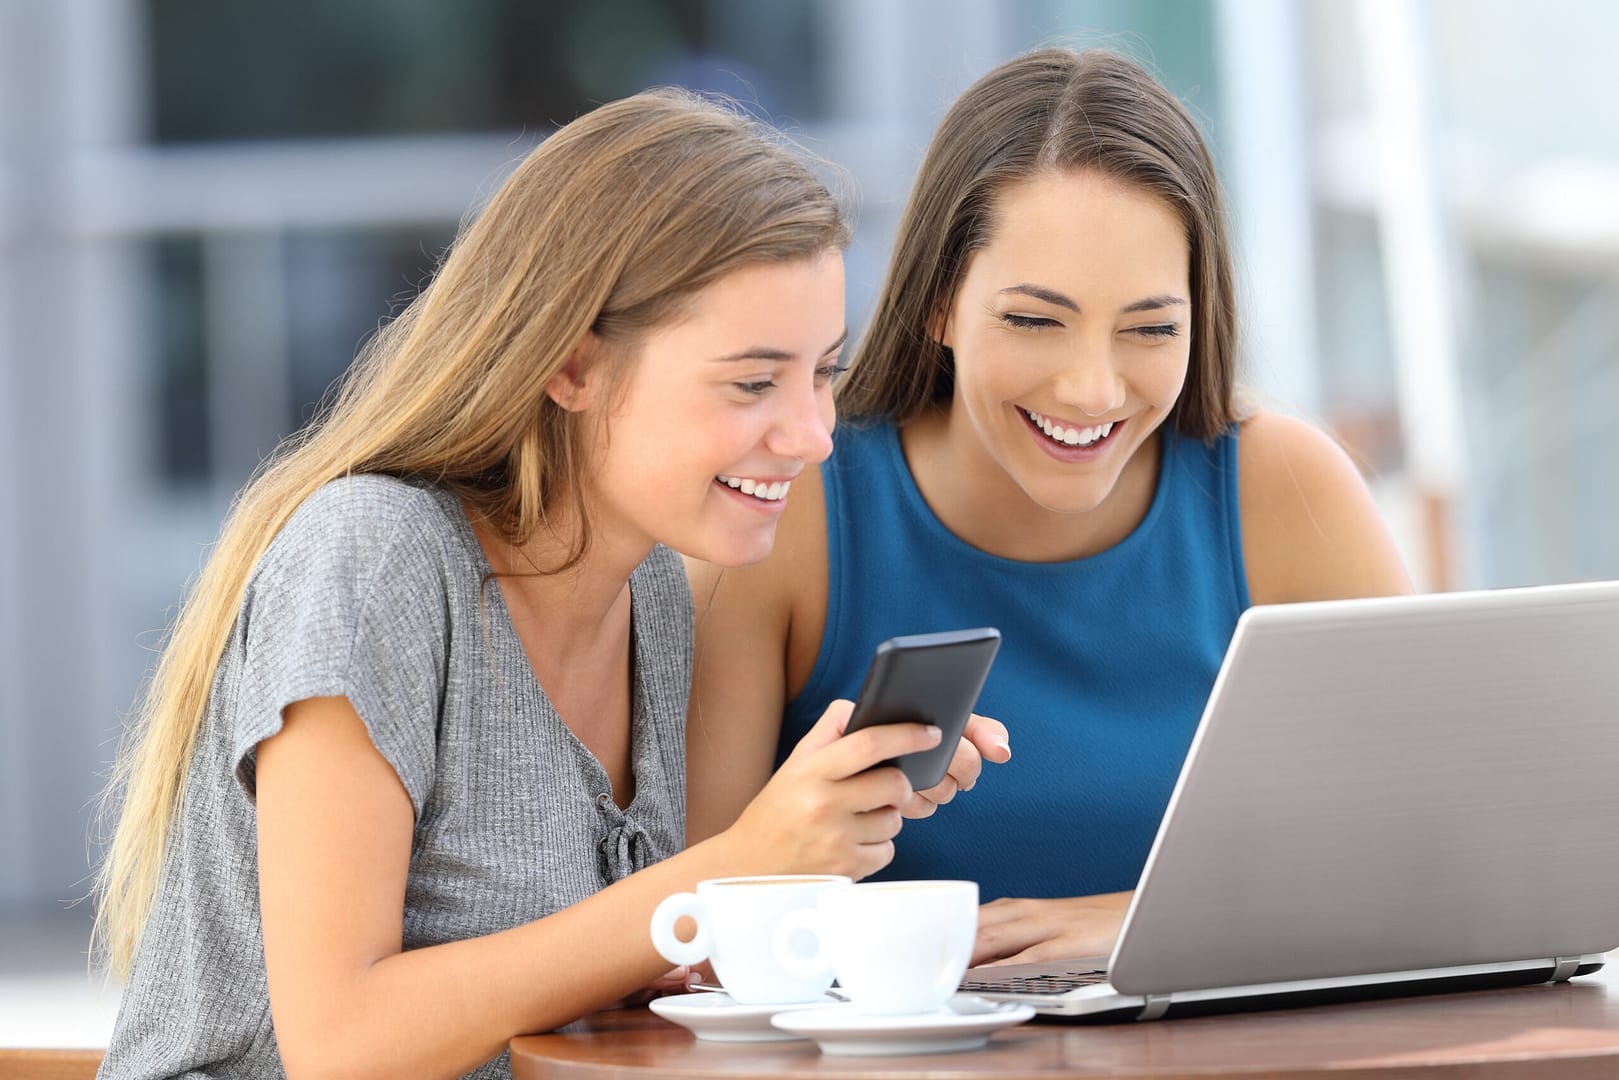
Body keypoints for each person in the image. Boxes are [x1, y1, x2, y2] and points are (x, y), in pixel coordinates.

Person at [92, 89, 954, 1080]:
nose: (810, 435)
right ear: (573, 365)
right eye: (753, 382)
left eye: (821, 374)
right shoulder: (376, 562)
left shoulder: (657, 600)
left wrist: (815, 841)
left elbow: (594, 979)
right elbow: (340, 1044)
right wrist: (730, 869)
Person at [685, 48, 1413, 969]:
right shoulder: (789, 510)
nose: (1092, 388)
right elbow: (690, 939)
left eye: (1151, 328)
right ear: (938, 303)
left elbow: (1424, 856)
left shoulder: (1284, 488)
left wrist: (1141, 924)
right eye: (1033, 320)